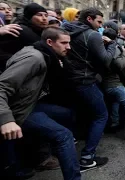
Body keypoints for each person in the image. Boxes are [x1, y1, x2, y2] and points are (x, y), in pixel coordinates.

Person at [0, 27, 81, 180]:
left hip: (30, 103)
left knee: (67, 114)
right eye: (64, 43)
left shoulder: (46, 54)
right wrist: (6, 119)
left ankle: (49, 151)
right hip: (19, 110)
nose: (68, 47)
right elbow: (2, 87)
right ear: (50, 42)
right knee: (64, 136)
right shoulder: (34, 58)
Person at [62, 7, 116, 172]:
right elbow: (106, 60)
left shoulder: (65, 30)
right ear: (89, 19)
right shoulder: (92, 35)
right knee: (101, 115)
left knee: (77, 114)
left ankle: (69, 147)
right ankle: (87, 158)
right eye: (99, 22)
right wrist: (112, 44)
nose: (101, 26)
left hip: (67, 79)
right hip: (85, 81)